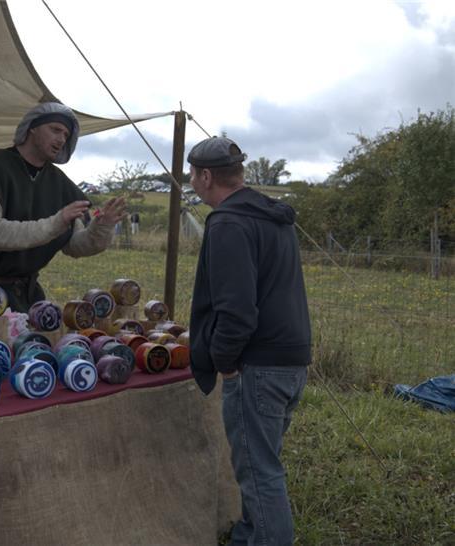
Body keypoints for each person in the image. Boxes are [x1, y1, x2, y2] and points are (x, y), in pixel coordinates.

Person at [186, 136, 311, 546]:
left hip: (258, 364)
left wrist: (224, 359)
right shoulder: (273, 216)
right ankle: (249, 534)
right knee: (264, 461)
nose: (191, 182)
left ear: (206, 176)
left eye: (192, 174)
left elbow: (237, 309)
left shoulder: (228, 223)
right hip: (291, 358)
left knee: (260, 472)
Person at [0, 102, 126, 312]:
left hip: (29, 298)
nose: (61, 139)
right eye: (55, 130)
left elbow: (75, 246)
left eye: (65, 135)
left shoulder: (60, 184)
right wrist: (56, 222)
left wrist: (102, 227)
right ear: (32, 127)